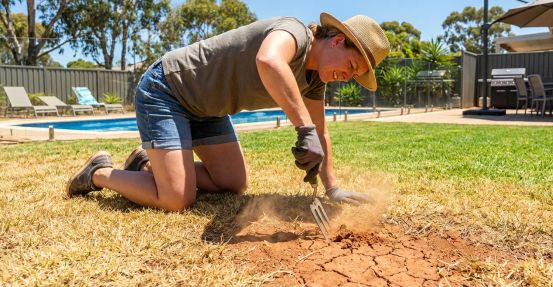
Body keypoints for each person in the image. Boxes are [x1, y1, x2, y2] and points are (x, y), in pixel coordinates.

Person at [66, 12, 390, 212]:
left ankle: (147, 165)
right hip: (168, 89)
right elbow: (269, 62)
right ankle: (97, 174)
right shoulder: (292, 32)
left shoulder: (314, 83)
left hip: (209, 110)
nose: (348, 76)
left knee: (232, 183)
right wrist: (303, 129)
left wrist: (332, 186)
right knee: (177, 199)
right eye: (350, 66)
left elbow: (321, 132)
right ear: (336, 40)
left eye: (354, 74)